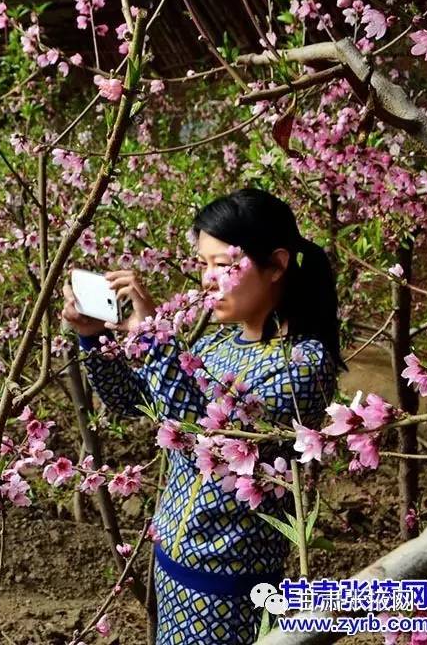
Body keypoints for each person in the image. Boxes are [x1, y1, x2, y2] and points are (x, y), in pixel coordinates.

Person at [62, 188, 346, 644]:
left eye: (223, 264)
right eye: (203, 265)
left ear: (276, 264)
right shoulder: (216, 343)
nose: (209, 280)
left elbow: (204, 436)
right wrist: (94, 341)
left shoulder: (304, 363)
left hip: (229, 585)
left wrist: (153, 336)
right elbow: (137, 404)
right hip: (172, 564)